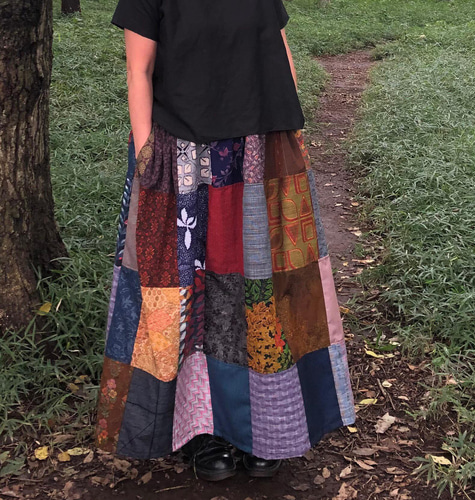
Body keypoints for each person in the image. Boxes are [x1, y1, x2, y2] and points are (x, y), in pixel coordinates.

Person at [95, 0, 355, 482]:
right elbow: (139, 70)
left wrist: (286, 136)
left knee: (261, 292)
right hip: (183, 158)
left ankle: (265, 427)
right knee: (190, 294)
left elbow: (279, 50)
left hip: (259, 149)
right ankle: (205, 430)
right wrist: (148, 153)